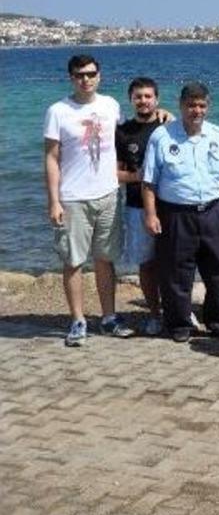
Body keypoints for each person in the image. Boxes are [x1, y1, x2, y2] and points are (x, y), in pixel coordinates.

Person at [142, 82, 219, 343]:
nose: (196, 110)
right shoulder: (161, 137)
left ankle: (218, 322)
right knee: (177, 272)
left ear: (208, 107)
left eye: (201, 105)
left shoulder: (218, 135)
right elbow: (149, 182)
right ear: (181, 105)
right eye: (191, 105)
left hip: (214, 211)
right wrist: (151, 214)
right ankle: (179, 324)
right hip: (176, 214)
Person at [44, 54, 133, 346]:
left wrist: (165, 114)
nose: (86, 79)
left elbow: (126, 135)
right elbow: (52, 158)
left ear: (99, 76)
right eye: (80, 75)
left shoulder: (111, 105)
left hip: (108, 194)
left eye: (91, 73)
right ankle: (78, 321)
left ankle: (109, 318)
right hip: (73, 198)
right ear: (71, 78)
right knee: (73, 261)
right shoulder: (58, 111)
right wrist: (54, 201)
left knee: (106, 259)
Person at [115, 77, 167, 335]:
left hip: (171, 206)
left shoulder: (169, 126)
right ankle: (155, 314)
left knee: (175, 260)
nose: (143, 101)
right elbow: (115, 174)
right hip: (137, 207)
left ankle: (178, 309)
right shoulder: (122, 132)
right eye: (138, 96)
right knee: (146, 264)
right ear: (131, 99)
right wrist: (140, 177)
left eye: (148, 96)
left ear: (156, 99)